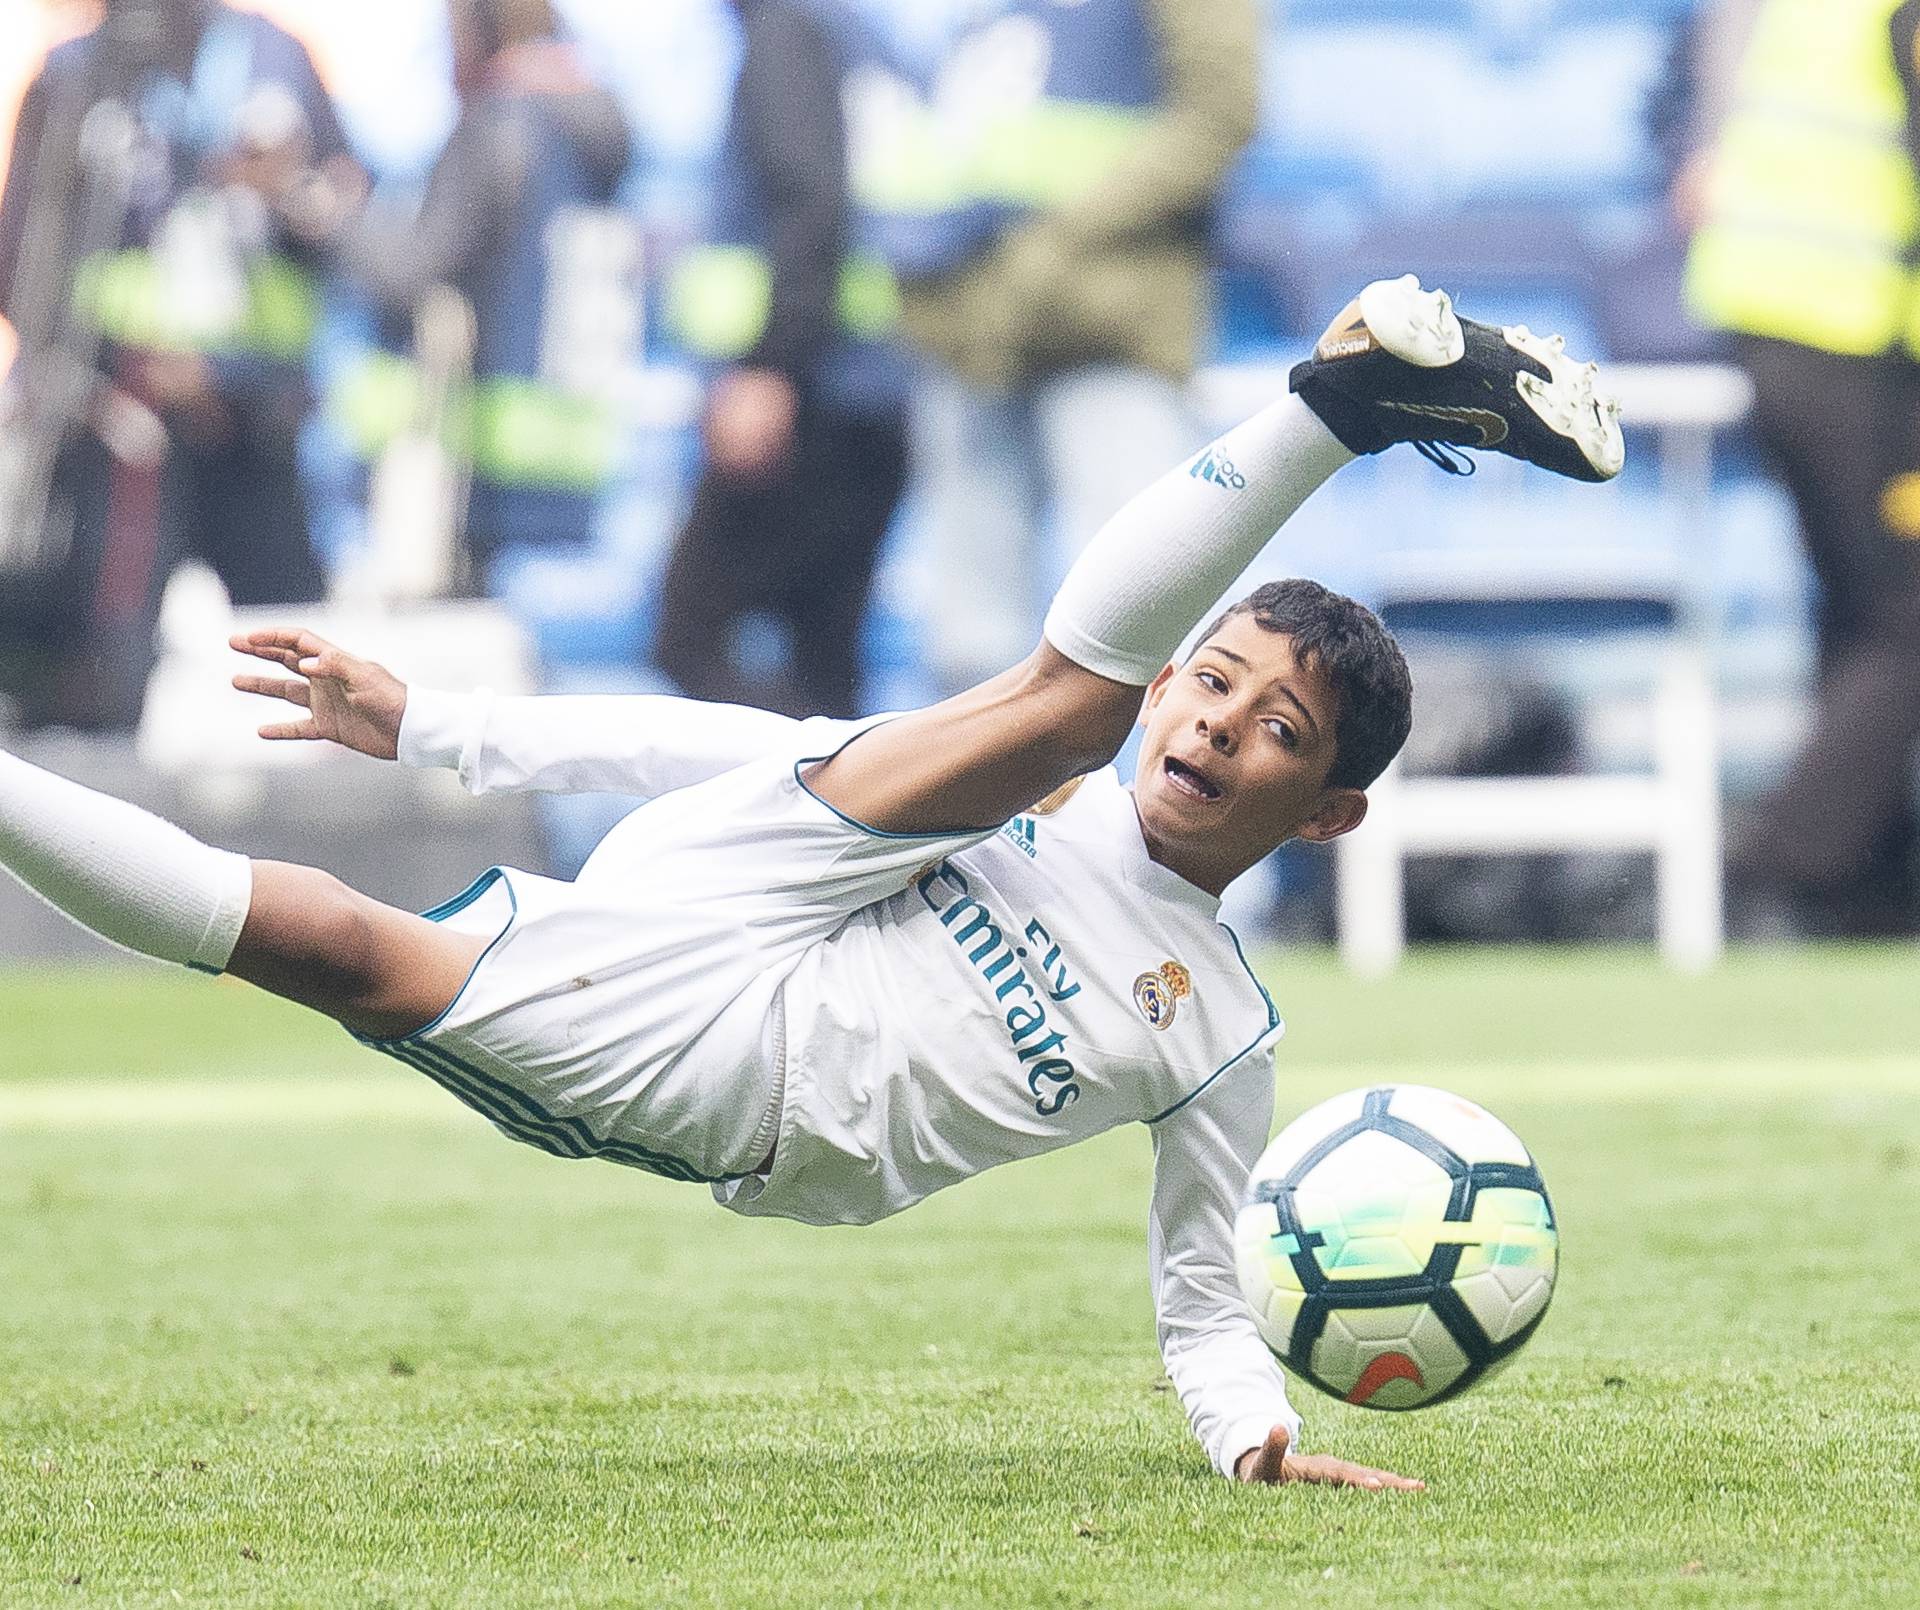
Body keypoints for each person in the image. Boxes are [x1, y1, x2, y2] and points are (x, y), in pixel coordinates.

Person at [0, 278, 1623, 1485]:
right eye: (1211, 682)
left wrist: (1258, 1435)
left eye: (1276, 730)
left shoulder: (1221, 1038)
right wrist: (446, 727)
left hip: (759, 1076)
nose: (1213, 726)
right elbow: (722, 747)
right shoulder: (1051, 781)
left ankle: (1345, 406)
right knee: (1066, 708)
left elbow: (1206, 1294)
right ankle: (1336, 407)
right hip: (750, 916)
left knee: (334, 944)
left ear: (1325, 817)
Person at [0, 0, 350, 729]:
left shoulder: (275, 60)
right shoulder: (79, 77)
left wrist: (289, 194)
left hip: (254, 423)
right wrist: (94, 376)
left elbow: (345, 225)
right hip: (120, 430)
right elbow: (24, 263)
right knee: (105, 663)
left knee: (291, 642)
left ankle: (306, 825)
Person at [892, 0, 1259, 695]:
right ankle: (979, 805)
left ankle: (1182, 802)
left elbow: (1219, 113)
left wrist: (1056, 241)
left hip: (1109, 325)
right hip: (971, 323)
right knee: (970, 639)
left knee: (1159, 617)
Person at [1684, 0, 1920, 935]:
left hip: (1785, 311)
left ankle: (1856, 880)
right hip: (1845, 329)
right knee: (1907, 620)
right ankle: (1786, 864)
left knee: (1864, 610)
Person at [269, 0, 633, 579]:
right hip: (577, 447)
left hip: (493, 455)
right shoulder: (595, 125)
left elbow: (411, 272)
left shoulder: (501, 126)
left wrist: (324, 215)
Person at [655, 0, 911, 718]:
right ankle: (844, 812)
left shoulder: (789, 30)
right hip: (866, 395)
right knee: (826, 664)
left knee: (688, 634)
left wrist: (772, 368)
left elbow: (810, 200)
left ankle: (809, 799)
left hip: (809, 398)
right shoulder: (853, 31)